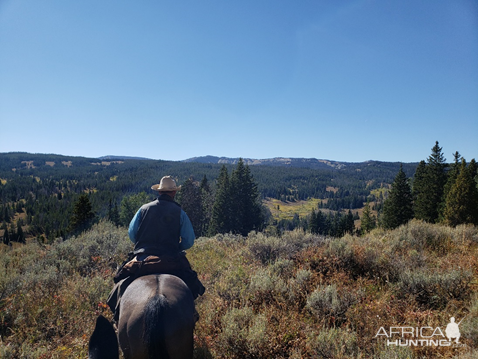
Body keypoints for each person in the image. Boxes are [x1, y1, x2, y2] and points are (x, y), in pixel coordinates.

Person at [107, 176, 205, 322]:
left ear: (159, 192)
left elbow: (132, 235)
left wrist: (143, 245)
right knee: (190, 283)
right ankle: (191, 313)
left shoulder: (143, 209)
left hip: (143, 256)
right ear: (173, 193)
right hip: (171, 257)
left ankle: (117, 319)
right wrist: (178, 247)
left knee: (121, 281)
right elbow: (188, 241)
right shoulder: (180, 212)